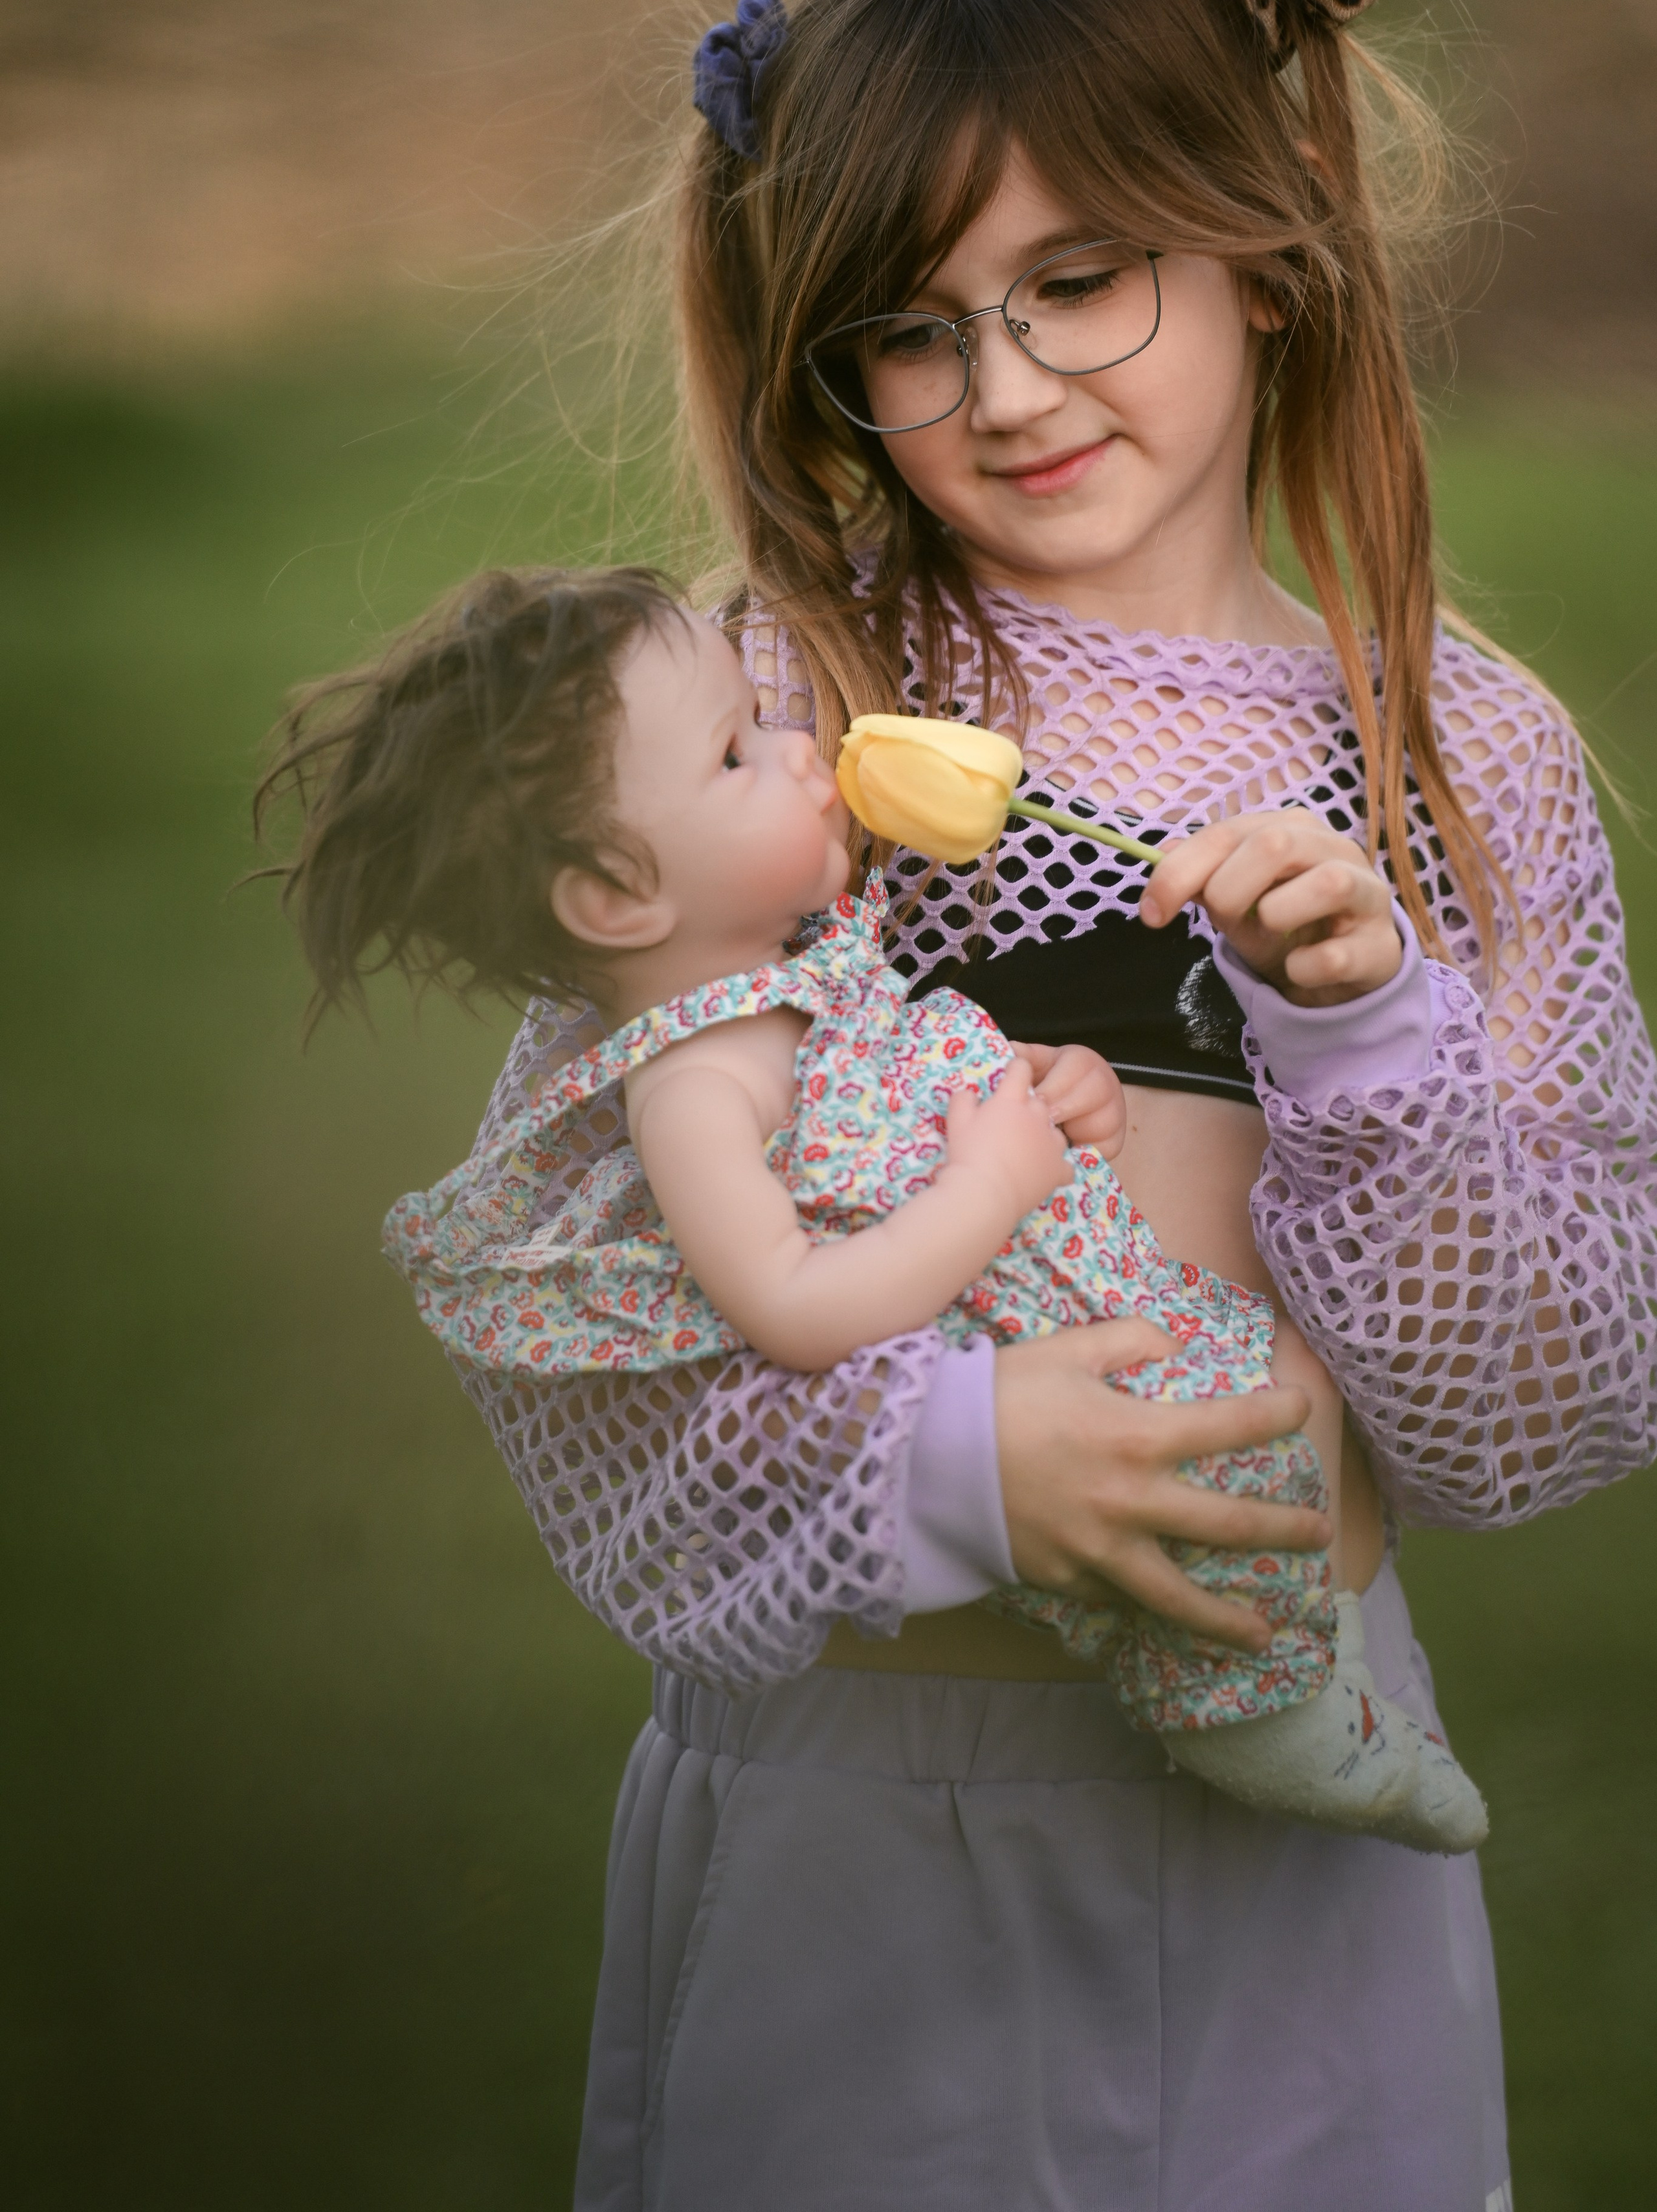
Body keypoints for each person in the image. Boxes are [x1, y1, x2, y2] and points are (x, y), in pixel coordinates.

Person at [297, 0, 1657, 2209]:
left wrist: (1366, 1037)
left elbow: (1548, 1400)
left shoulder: (1460, 760)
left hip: (1311, 1817)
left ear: (1269, 223)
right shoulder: (765, 718)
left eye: (1078, 282)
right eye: (912, 333)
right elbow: (590, 1320)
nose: (1003, 388)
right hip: (874, 1822)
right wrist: (954, 1466)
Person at [263, 560, 1485, 1844]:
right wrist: (990, 1182)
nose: (798, 747)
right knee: (1210, 1471)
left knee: (1291, 1391)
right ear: (618, 899)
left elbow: (889, 1092)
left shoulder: (804, 971)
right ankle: (1262, 1711)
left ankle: (1310, 1659)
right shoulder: (687, 1081)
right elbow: (793, 1304)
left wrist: (1032, 1086)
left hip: (1087, 1286)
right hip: (1007, 1368)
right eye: (738, 752)